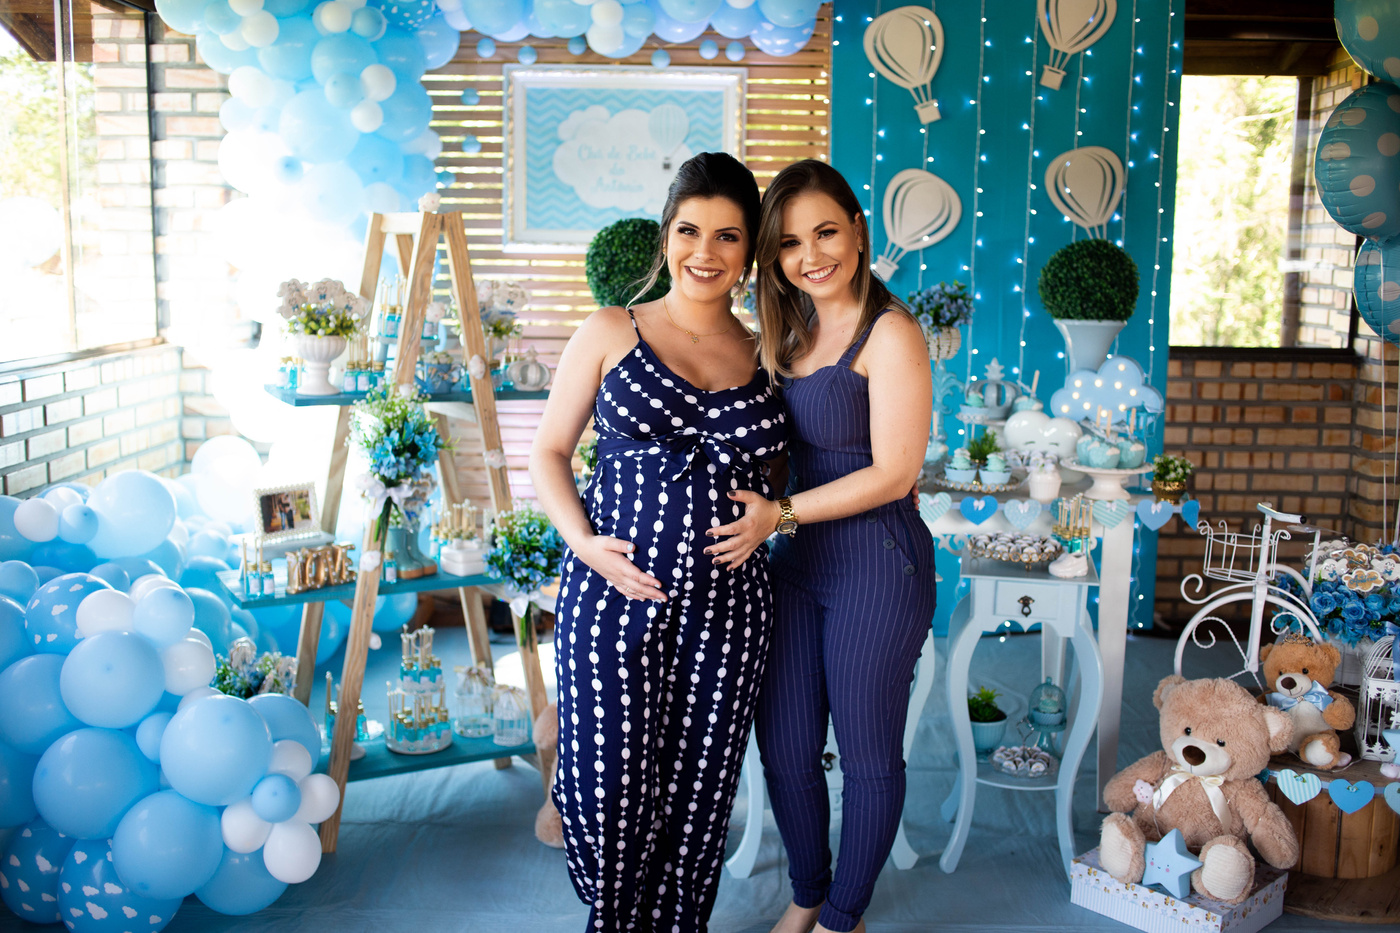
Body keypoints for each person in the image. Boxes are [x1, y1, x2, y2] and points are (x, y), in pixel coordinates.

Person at [528, 151, 788, 932]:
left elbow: (781, 480)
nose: (704, 252)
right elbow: (549, 452)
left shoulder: (770, 356)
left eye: (727, 236)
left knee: (699, 795)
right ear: (666, 234)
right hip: (613, 599)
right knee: (607, 786)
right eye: (688, 230)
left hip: (729, 611)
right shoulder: (614, 328)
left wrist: (774, 513)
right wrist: (584, 542)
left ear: (750, 250)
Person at [705, 159, 936, 933]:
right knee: (786, 746)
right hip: (795, 565)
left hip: (878, 563)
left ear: (859, 231)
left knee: (867, 756)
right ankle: (807, 894)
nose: (811, 255)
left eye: (827, 232)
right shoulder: (787, 331)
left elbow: (895, 471)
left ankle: (842, 916)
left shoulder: (892, 332)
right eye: (790, 242)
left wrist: (779, 513)